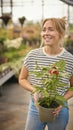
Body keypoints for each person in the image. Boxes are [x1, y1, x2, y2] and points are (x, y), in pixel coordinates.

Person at [19, 17, 73, 130]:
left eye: (51, 29)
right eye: (44, 30)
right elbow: (22, 79)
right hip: (36, 107)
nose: (46, 33)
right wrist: (35, 90)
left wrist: (61, 101)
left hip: (59, 109)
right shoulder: (32, 55)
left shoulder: (69, 59)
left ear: (61, 33)